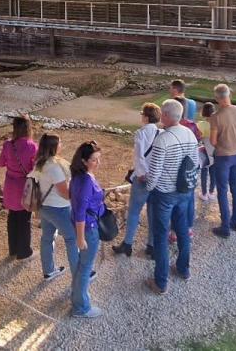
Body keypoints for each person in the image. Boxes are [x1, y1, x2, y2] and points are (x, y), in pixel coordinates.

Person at [144, 99, 199, 295]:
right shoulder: (190, 134)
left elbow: (155, 169)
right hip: (185, 191)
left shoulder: (162, 139)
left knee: (161, 236)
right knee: (183, 230)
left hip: (164, 193)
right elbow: (195, 163)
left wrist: (149, 187)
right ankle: (183, 269)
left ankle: (161, 281)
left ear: (166, 116)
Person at [114, 103, 159, 258]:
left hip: (142, 178)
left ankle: (128, 244)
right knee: (153, 213)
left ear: (146, 117)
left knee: (134, 212)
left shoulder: (141, 133)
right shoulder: (161, 133)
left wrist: (140, 173)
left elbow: (139, 156)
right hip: (155, 177)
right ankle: (152, 245)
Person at [69, 140, 104, 318]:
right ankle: (81, 307)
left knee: (82, 265)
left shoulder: (80, 176)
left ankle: (76, 295)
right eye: (94, 160)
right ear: (83, 161)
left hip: (87, 225)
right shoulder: (85, 182)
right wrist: (81, 238)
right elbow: (81, 212)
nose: (98, 163)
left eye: (99, 159)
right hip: (88, 228)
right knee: (85, 267)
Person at [208, 84, 236, 238]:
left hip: (223, 156)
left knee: (223, 191)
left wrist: (222, 144)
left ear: (217, 98)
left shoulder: (216, 117)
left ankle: (225, 227)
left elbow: (212, 141)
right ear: (229, 95)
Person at [35, 134, 76, 282]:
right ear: (54, 147)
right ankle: (79, 275)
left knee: (47, 238)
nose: (62, 145)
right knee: (72, 239)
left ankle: (49, 270)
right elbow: (65, 194)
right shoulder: (55, 167)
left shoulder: (40, 162)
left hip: (44, 206)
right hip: (58, 209)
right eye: (60, 143)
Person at [0, 115, 37, 258]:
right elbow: (35, 169)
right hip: (24, 186)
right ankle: (24, 251)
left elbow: (0, 163)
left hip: (10, 184)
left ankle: (13, 249)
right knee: (24, 220)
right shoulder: (32, 146)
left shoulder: (8, 144)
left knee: (12, 217)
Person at [198, 102, 217, 202]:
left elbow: (198, 138)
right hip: (215, 152)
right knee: (213, 173)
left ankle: (204, 193)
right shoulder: (217, 124)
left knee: (204, 173)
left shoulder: (201, 125)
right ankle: (211, 192)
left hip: (205, 153)